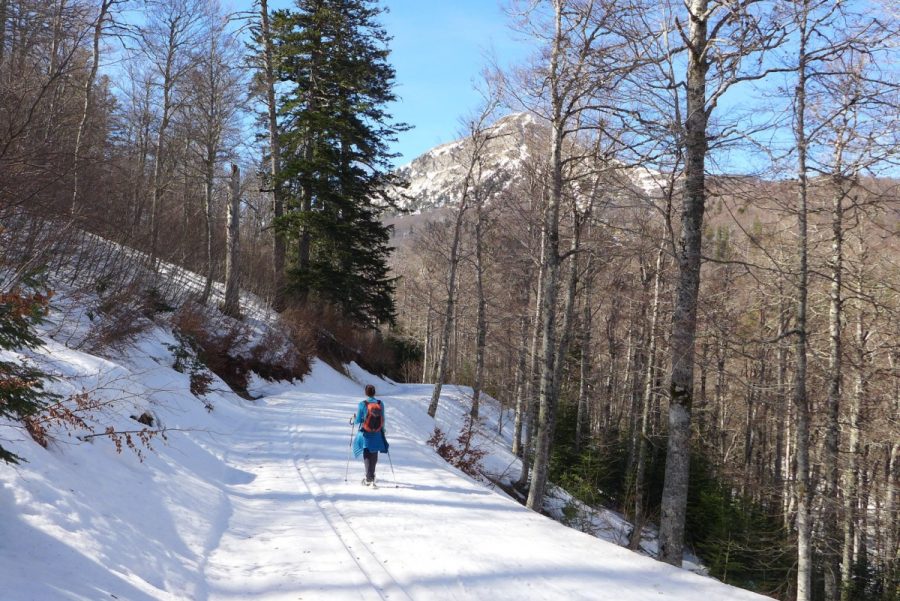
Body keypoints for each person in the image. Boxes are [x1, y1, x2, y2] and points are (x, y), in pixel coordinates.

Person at [352, 384, 389, 486]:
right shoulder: (380, 403)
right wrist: (383, 429)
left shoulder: (362, 404)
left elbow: (358, 420)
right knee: (374, 452)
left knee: (367, 452)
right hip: (377, 432)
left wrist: (353, 420)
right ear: (374, 392)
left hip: (366, 432)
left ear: (366, 393)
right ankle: (371, 475)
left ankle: (369, 478)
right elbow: (383, 418)